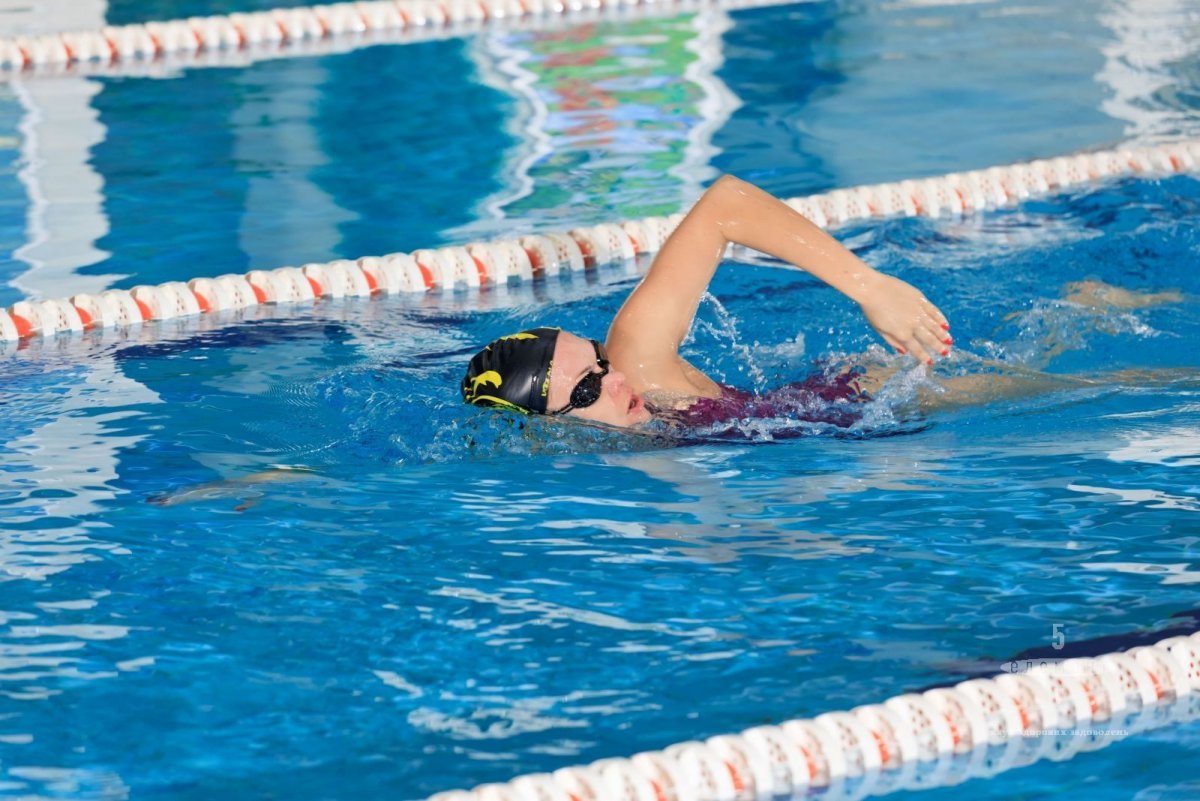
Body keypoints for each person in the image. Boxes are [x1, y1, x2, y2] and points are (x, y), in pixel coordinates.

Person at [461, 174, 952, 430]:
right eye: (587, 391)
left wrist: (869, 286)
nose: (615, 379)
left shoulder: (638, 363)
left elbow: (726, 203)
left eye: (599, 362)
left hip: (867, 396)